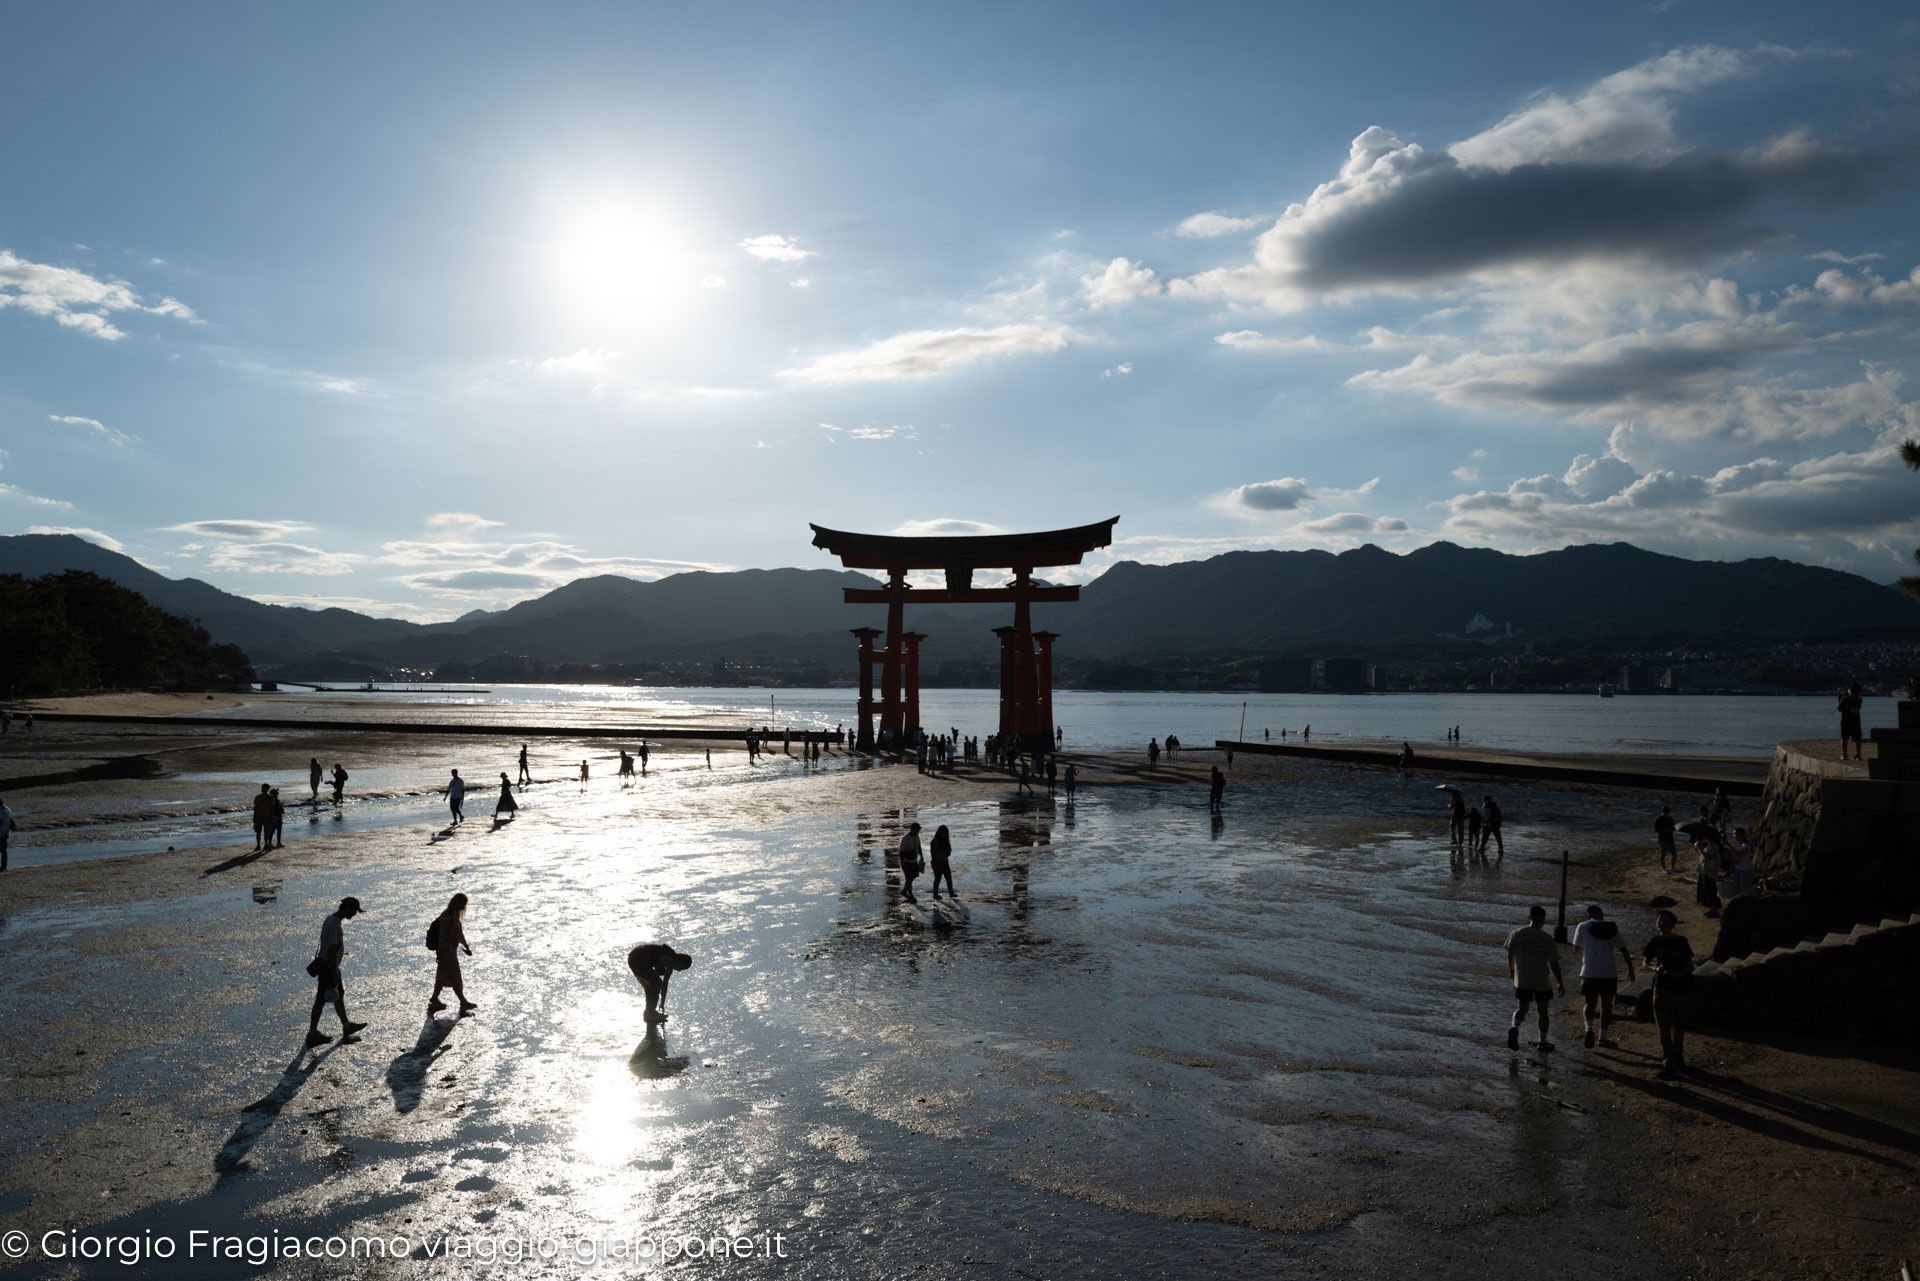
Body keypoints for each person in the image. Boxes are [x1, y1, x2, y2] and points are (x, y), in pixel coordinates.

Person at [306, 897, 368, 1048]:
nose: (354, 915)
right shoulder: (334, 925)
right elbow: (332, 950)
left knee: (339, 995)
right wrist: (334, 972)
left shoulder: (331, 920)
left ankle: (347, 1025)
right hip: (329, 968)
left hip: (330, 967)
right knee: (320, 1000)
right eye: (353, 911)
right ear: (347, 909)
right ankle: (313, 1033)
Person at [1571, 905, 1636, 1049]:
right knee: (1606, 1007)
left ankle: (1588, 1029)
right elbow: (1623, 949)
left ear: (1588, 916)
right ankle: (1602, 1038)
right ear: (1602, 916)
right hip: (1609, 974)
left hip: (1589, 973)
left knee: (1589, 1004)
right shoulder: (1611, 928)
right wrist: (1630, 969)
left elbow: (1576, 948)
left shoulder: (1582, 926)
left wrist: (1588, 946)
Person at [1504, 905, 1564, 1052]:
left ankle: (1514, 1026)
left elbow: (1509, 954)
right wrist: (1560, 982)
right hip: (1541, 980)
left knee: (1522, 1008)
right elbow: (1554, 963)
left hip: (1522, 978)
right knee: (1542, 1011)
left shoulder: (1517, 933)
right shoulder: (1547, 938)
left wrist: (1512, 970)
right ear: (1543, 920)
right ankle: (1542, 1041)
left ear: (1529, 918)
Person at [1642, 910, 1694, 1078]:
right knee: (1663, 1029)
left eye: (1664, 921)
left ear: (1672, 924)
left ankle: (1677, 1057)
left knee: (1678, 1029)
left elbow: (1690, 965)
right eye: (1659, 920)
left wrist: (1680, 974)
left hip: (1681, 989)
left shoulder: (1681, 942)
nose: (1661, 923)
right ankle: (1669, 1062)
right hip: (1661, 989)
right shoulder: (1655, 942)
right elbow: (1645, 963)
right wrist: (1656, 969)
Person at [427, 892, 477, 1014]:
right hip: (446, 953)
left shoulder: (455, 916)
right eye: (464, 904)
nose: (464, 906)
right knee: (455, 977)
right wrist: (440, 953)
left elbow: (459, 934)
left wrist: (466, 947)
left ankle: (434, 999)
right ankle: (463, 1001)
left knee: (441, 977)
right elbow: (442, 937)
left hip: (451, 952)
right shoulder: (446, 917)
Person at [628, 943, 693, 1023]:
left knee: (651, 983)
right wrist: (662, 1003)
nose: (679, 971)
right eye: (682, 968)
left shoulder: (670, 955)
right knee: (656, 983)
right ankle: (650, 1012)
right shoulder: (670, 961)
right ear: (680, 962)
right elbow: (664, 985)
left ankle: (650, 1011)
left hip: (635, 956)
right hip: (638, 957)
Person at [1693, 835, 1722, 916]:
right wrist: (1697, 848)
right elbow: (1704, 855)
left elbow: (1708, 857)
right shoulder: (1711, 845)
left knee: (1711, 890)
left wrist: (1700, 849)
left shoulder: (1713, 846)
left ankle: (1714, 910)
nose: (1704, 838)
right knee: (1709, 891)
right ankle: (1712, 909)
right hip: (1708, 870)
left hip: (1710, 871)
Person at [897, 822, 924, 903]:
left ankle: (904, 890)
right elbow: (901, 852)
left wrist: (921, 856)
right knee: (909, 879)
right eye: (918, 830)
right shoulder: (905, 839)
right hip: (906, 862)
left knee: (912, 877)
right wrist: (902, 863)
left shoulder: (917, 836)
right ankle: (911, 896)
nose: (918, 832)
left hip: (914, 860)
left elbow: (919, 847)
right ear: (913, 830)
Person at [1838, 682, 1864, 761]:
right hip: (1856, 722)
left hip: (1845, 722)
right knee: (1857, 739)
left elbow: (1839, 708)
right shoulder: (1859, 699)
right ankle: (1858, 754)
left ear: (1850, 690)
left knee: (1844, 738)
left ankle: (1844, 754)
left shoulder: (1845, 698)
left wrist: (1839, 699)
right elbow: (1856, 708)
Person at [929, 824, 955, 897]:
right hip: (937, 863)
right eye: (944, 833)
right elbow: (935, 853)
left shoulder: (943, 840)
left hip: (944, 862)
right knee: (938, 879)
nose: (945, 834)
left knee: (948, 878)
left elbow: (947, 853)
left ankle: (951, 893)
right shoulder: (935, 841)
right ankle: (935, 894)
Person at [1729, 827, 1753, 897]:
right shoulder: (1737, 845)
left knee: (1744, 891)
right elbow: (1735, 858)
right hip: (1737, 869)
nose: (1735, 836)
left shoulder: (1746, 845)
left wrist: (1728, 845)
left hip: (1745, 870)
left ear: (1742, 834)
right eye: (1734, 834)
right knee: (1736, 890)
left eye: (1736, 834)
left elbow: (1739, 853)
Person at [1654, 805, 1678, 872]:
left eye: (1667, 812)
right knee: (1663, 854)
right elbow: (1656, 830)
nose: (1666, 813)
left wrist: (1671, 830)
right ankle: (1664, 869)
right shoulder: (1659, 819)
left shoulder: (1670, 819)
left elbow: (1673, 828)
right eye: (1665, 812)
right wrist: (1665, 830)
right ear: (1662, 812)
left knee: (1674, 854)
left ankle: (1672, 868)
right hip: (1662, 838)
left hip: (1670, 838)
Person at [251, 784, 273, 851]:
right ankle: (260, 845)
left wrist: (254, 816)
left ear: (266, 789)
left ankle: (262, 845)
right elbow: (256, 808)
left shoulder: (268, 797)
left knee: (262, 832)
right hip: (261, 816)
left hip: (263, 816)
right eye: (262, 787)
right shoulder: (269, 797)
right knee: (260, 832)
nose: (262, 789)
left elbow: (271, 808)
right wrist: (254, 816)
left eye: (263, 788)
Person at [0, 793, 13, 871]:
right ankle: (4, 866)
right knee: (3, 851)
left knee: (3, 851)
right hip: (5, 833)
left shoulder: (1, 811)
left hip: (1, 833)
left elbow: (0, 821)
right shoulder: (7, 809)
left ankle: (3, 867)